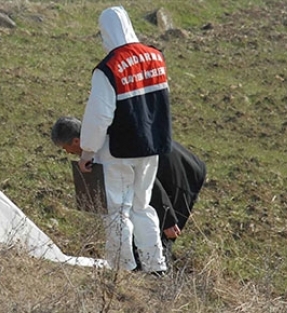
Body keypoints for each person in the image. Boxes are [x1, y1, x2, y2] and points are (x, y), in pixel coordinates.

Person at [74, 5, 174, 274]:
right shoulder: (156, 56)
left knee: (117, 211)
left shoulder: (108, 68)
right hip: (152, 146)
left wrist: (87, 152)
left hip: (119, 150)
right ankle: (156, 266)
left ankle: (122, 269)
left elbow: (99, 116)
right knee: (143, 206)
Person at [51, 117, 206, 271]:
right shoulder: (99, 140)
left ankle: (158, 281)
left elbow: (148, 184)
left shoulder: (109, 147)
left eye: (66, 148)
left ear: (76, 141)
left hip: (181, 173)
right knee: (140, 233)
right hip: (159, 168)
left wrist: (169, 220)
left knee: (160, 236)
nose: (67, 152)